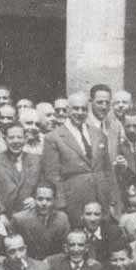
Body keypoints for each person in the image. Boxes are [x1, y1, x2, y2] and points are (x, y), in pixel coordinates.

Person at [41, 93, 120, 222]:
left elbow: (107, 170)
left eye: (84, 109)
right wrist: (61, 205)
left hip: (101, 198)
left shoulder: (98, 134)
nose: (80, 112)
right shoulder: (53, 137)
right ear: (67, 110)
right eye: (76, 108)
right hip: (74, 200)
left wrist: (112, 200)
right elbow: (52, 175)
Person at [0, 123, 41, 216]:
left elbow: (45, 187)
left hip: (31, 215)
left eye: (19, 137)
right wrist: (0, 213)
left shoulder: (37, 160)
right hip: (3, 217)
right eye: (11, 137)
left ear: (25, 139)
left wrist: (36, 200)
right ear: (5, 139)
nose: (16, 141)